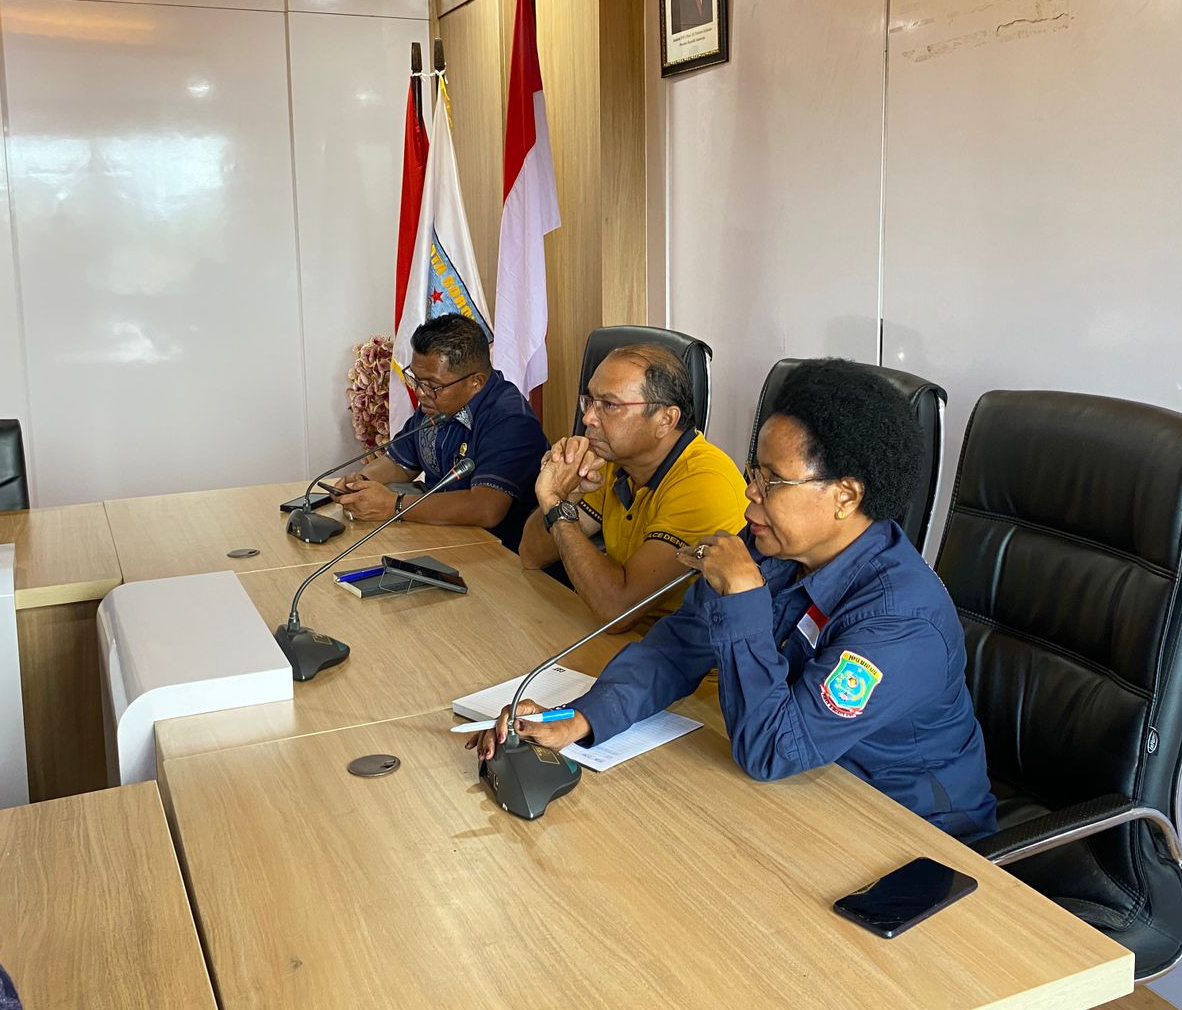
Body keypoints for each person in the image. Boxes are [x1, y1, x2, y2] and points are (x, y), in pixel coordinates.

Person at [475, 358, 997, 840]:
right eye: (755, 473)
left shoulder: (900, 620)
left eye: (773, 481)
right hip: (804, 795)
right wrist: (583, 718)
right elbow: (677, 648)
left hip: (909, 832)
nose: (751, 493)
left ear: (845, 496)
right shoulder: (772, 546)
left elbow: (772, 749)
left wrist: (743, 598)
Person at [518, 343, 746, 634]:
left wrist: (554, 504)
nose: (588, 418)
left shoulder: (705, 484)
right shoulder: (614, 461)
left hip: (684, 657)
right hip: (625, 643)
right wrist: (567, 495)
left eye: (610, 405)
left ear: (665, 419)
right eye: (590, 401)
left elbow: (617, 611)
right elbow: (532, 554)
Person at [336, 313, 546, 551]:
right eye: (416, 380)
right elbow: (400, 463)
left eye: (432, 385)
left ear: (476, 382)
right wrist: (361, 483)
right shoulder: (437, 402)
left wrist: (394, 505)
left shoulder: (510, 420)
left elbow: (485, 508)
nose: (420, 393)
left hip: (502, 553)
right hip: (444, 538)